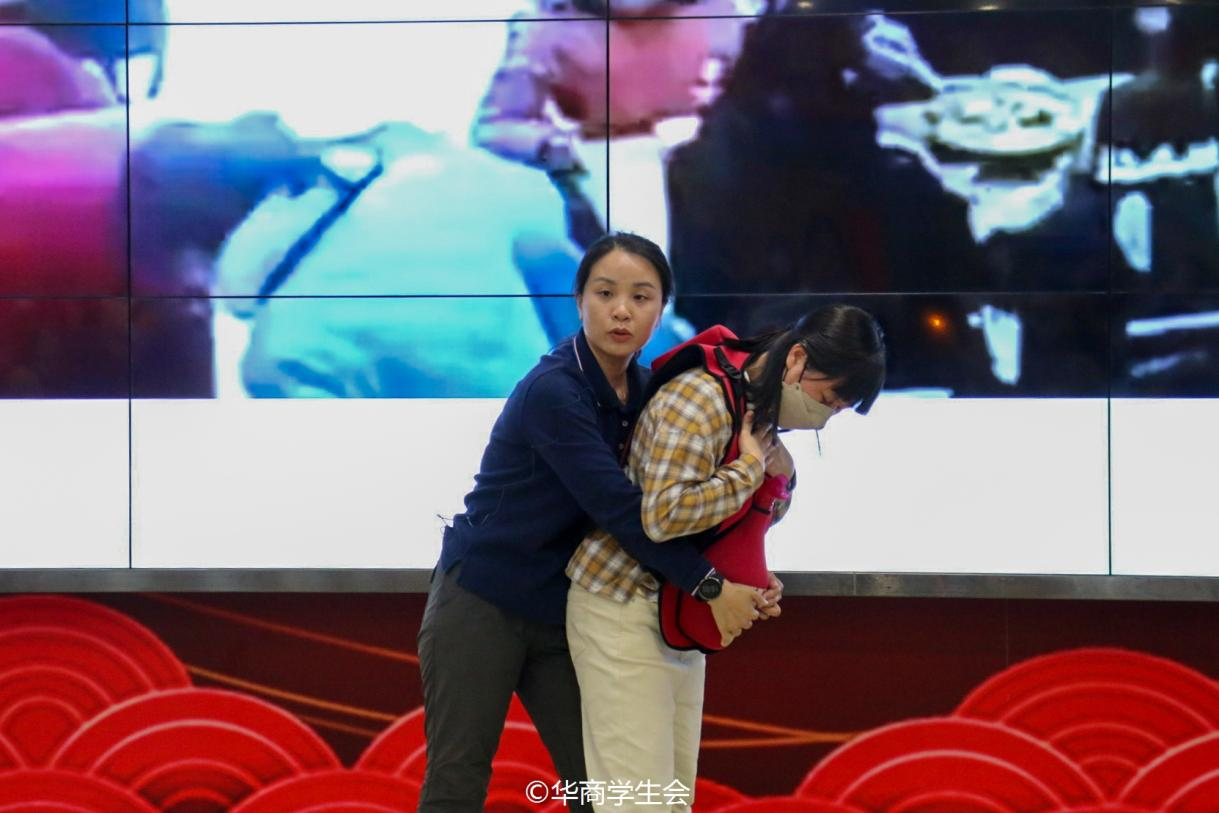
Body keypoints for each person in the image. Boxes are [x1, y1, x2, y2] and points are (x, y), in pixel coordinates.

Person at [416, 232, 776, 813]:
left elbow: (681, 507)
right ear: (579, 300)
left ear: (662, 309)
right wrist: (710, 586)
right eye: (605, 293)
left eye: (641, 297)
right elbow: (623, 511)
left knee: (600, 787)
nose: (621, 311)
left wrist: (750, 564)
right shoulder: (553, 391)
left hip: (563, 609)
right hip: (482, 600)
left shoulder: (648, 389)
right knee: (458, 779)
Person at [566, 303, 886, 811]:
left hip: (680, 614)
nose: (825, 417)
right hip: (625, 605)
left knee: (672, 798)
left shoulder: (756, 404)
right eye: (828, 399)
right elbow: (663, 515)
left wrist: (754, 564)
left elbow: (738, 520)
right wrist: (749, 472)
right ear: (797, 359)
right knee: (634, 801)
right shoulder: (701, 397)